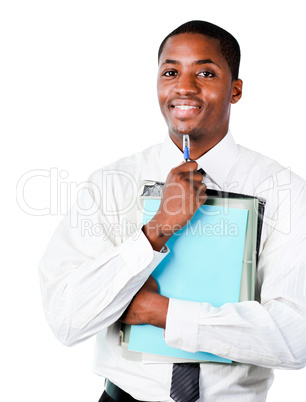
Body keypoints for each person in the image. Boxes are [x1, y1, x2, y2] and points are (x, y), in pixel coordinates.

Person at [39, 20, 306, 401]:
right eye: (170, 72)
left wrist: (161, 312)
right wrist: (156, 230)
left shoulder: (287, 193)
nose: (184, 86)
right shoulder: (111, 184)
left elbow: (296, 337)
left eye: (205, 72)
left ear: (236, 90)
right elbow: (66, 320)